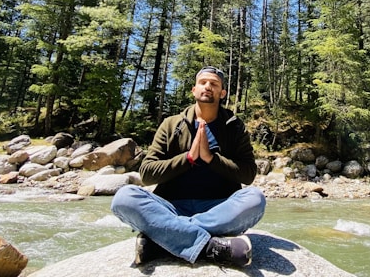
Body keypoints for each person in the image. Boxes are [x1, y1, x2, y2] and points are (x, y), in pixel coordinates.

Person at [111, 66, 266, 268]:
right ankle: (209, 247)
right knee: (124, 198)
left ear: (222, 93)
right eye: (203, 82)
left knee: (255, 199)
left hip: (219, 209)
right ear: (194, 90)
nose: (208, 86)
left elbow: (248, 175)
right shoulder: (171, 124)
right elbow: (147, 174)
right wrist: (188, 158)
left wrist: (211, 159)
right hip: (171, 208)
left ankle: (165, 239)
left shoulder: (234, 126)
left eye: (214, 84)